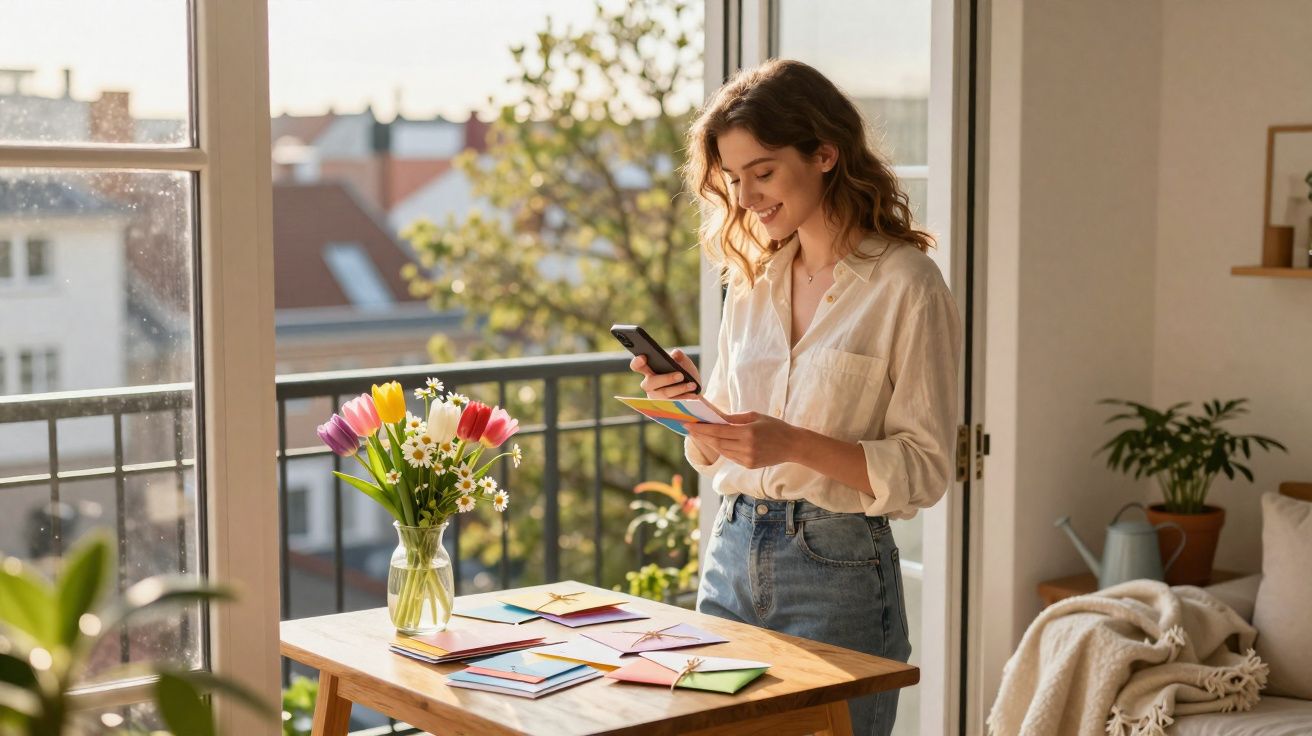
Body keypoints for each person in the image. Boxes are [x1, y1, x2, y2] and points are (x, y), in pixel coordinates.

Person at [628, 59, 961, 736]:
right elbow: (719, 450)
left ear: (825, 154)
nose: (747, 197)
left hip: (837, 568)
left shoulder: (906, 285)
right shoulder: (752, 283)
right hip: (730, 552)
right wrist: (694, 408)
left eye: (764, 171)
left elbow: (925, 467)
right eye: (733, 179)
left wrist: (788, 442)